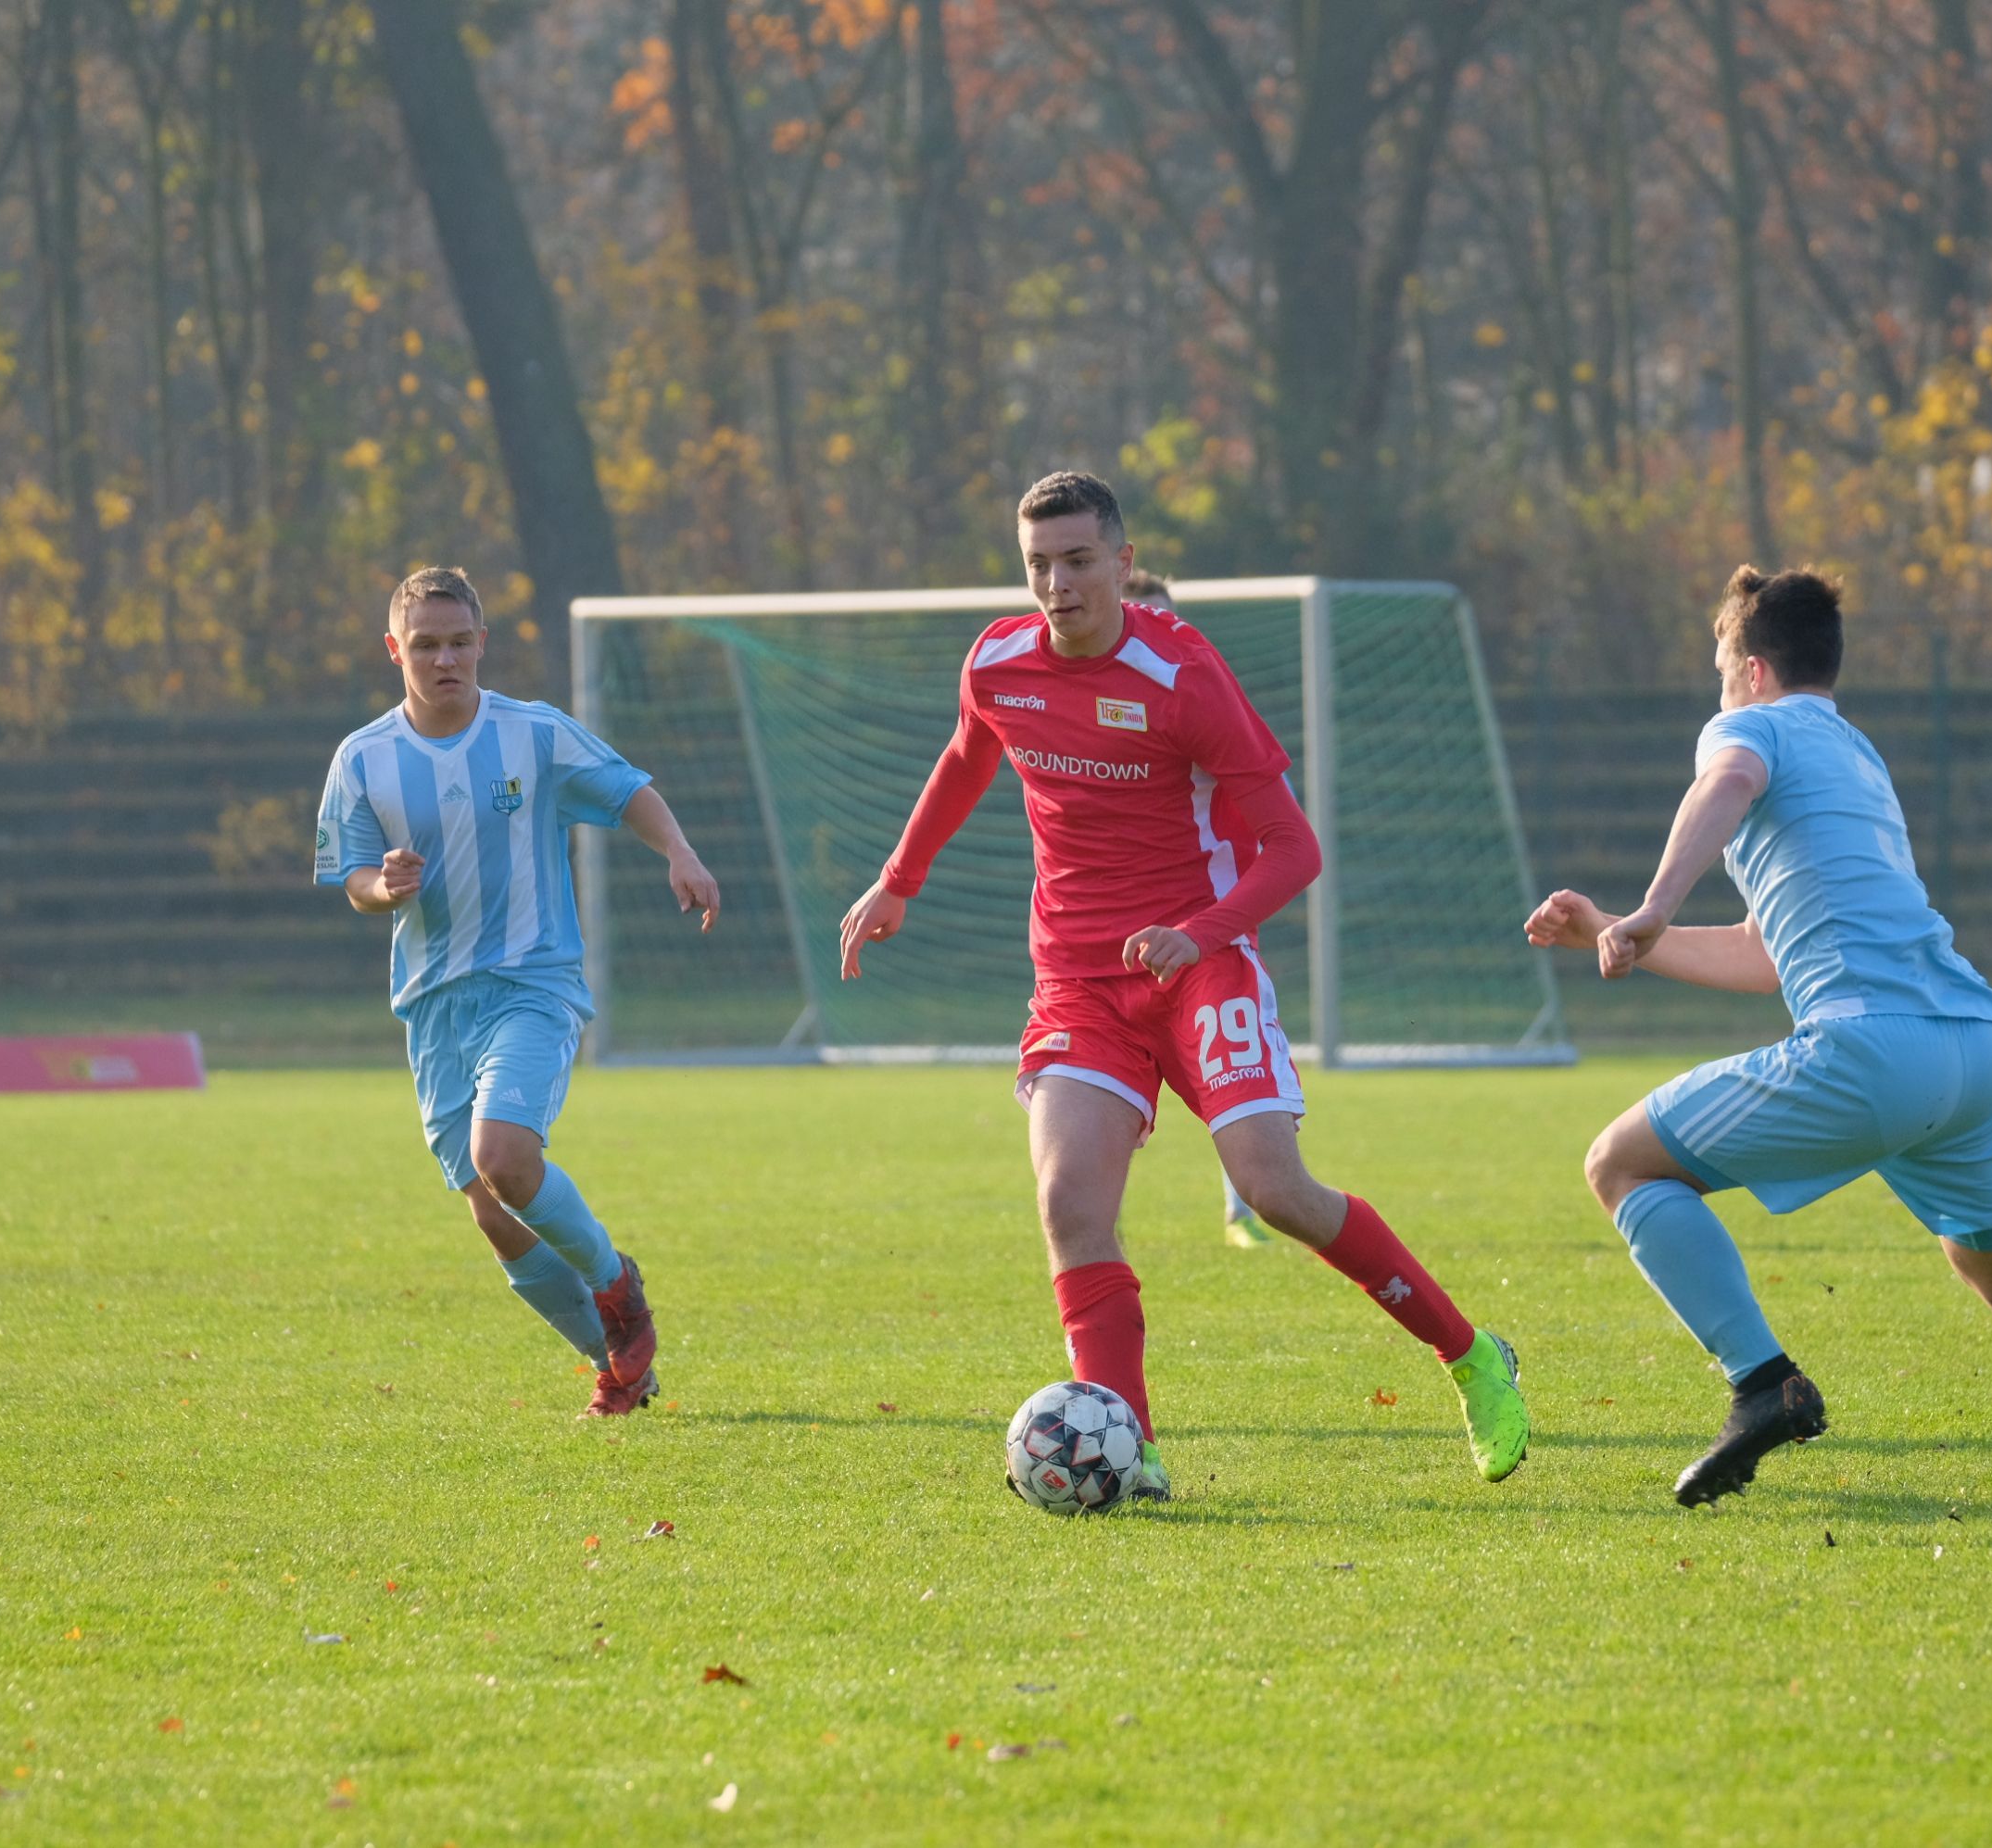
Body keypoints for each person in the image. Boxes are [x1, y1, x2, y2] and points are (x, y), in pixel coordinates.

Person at [840, 471, 1529, 1497]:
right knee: (1070, 1204)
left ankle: (1471, 1356)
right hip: (1078, 984)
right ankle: (1137, 1453)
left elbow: (1293, 848)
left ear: (1123, 563)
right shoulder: (996, 663)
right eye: (1039, 565)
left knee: (1274, 1190)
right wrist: (899, 881)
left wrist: (1197, 934)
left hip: (1201, 971)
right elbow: (967, 757)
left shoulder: (1184, 676)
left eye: (1079, 561)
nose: (1058, 586)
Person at [1527, 564, 1992, 1533]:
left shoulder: (1748, 731)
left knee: (1620, 1164)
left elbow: (1727, 779)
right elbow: (1768, 953)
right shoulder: (1856, 756)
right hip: (1970, 1049)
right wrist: (1617, 930)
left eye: (1722, 669)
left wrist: (1650, 907)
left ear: (1754, 670)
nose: (1720, 690)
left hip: (1870, 1051)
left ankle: (1761, 1382)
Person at [315, 566, 722, 1415]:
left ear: (483, 643)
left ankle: (617, 1287)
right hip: (433, 1003)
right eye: (425, 645)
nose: (444, 659)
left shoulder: (533, 734)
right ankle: (622, 1369)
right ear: (394, 650)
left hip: (532, 982)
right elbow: (350, 877)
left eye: (459, 642)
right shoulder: (363, 758)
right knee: (491, 1211)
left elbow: (628, 788)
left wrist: (680, 852)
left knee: (503, 1157)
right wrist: (383, 885)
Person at [1125, 564, 1267, 1251]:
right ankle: (1094, 1221)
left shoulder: (1202, 694)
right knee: (1096, 1100)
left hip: (1208, 929)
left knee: (1235, 1089)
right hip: (1108, 943)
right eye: (1146, 616)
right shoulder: (1079, 710)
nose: (1162, 628)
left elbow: (1283, 834)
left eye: (1170, 615)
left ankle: (1245, 1208)